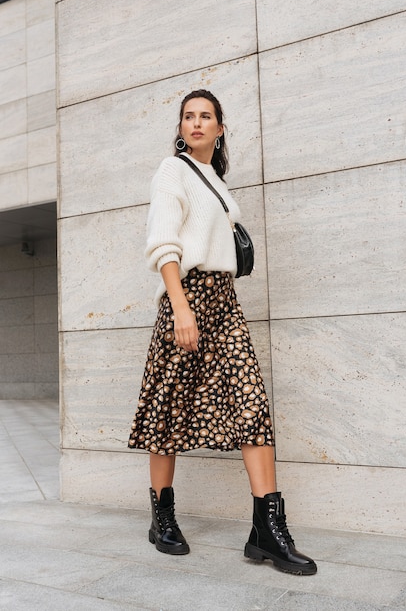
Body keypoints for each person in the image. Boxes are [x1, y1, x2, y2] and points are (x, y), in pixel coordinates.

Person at [128, 89, 317, 576]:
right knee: (168, 410)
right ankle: (162, 516)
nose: (196, 123)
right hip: (185, 297)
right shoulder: (172, 171)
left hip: (225, 302)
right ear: (181, 126)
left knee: (252, 405)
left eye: (205, 116)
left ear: (220, 127)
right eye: (188, 116)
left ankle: (267, 531)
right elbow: (163, 243)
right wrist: (180, 307)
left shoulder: (216, 179)